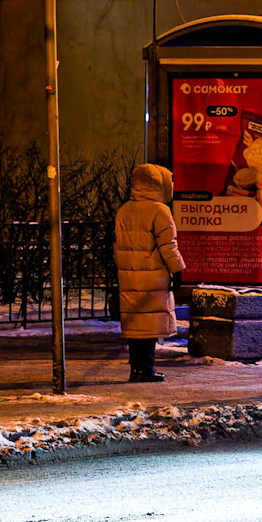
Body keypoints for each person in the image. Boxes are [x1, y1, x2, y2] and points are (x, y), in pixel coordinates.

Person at [114, 164, 185, 382]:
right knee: (150, 324)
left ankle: (137, 368)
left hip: (129, 274)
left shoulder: (124, 210)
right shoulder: (159, 210)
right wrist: (178, 270)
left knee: (136, 324)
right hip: (153, 275)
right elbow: (168, 246)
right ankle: (146, 369)